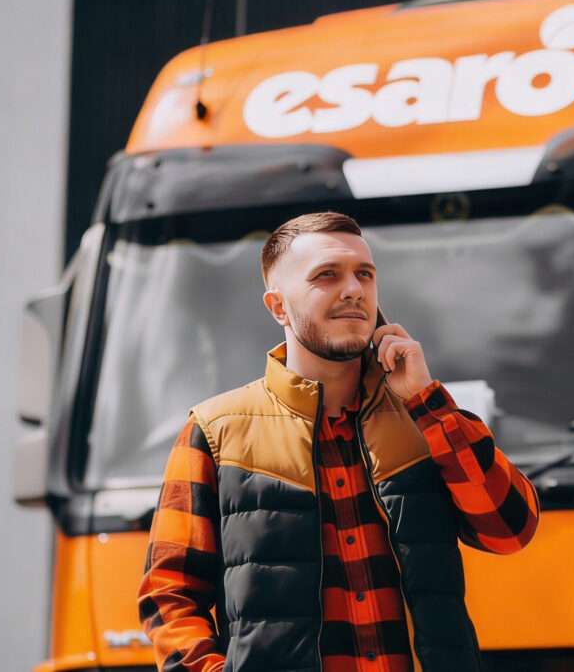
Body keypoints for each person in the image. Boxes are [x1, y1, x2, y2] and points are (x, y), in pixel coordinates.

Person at [137, 212, 540, 672]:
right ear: (278, 307)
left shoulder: (424, 416)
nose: (353, 289)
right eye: (327, 275)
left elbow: (510, 529)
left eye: (364, 274)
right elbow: (169, 596)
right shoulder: (216, 430)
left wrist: (428, 403)